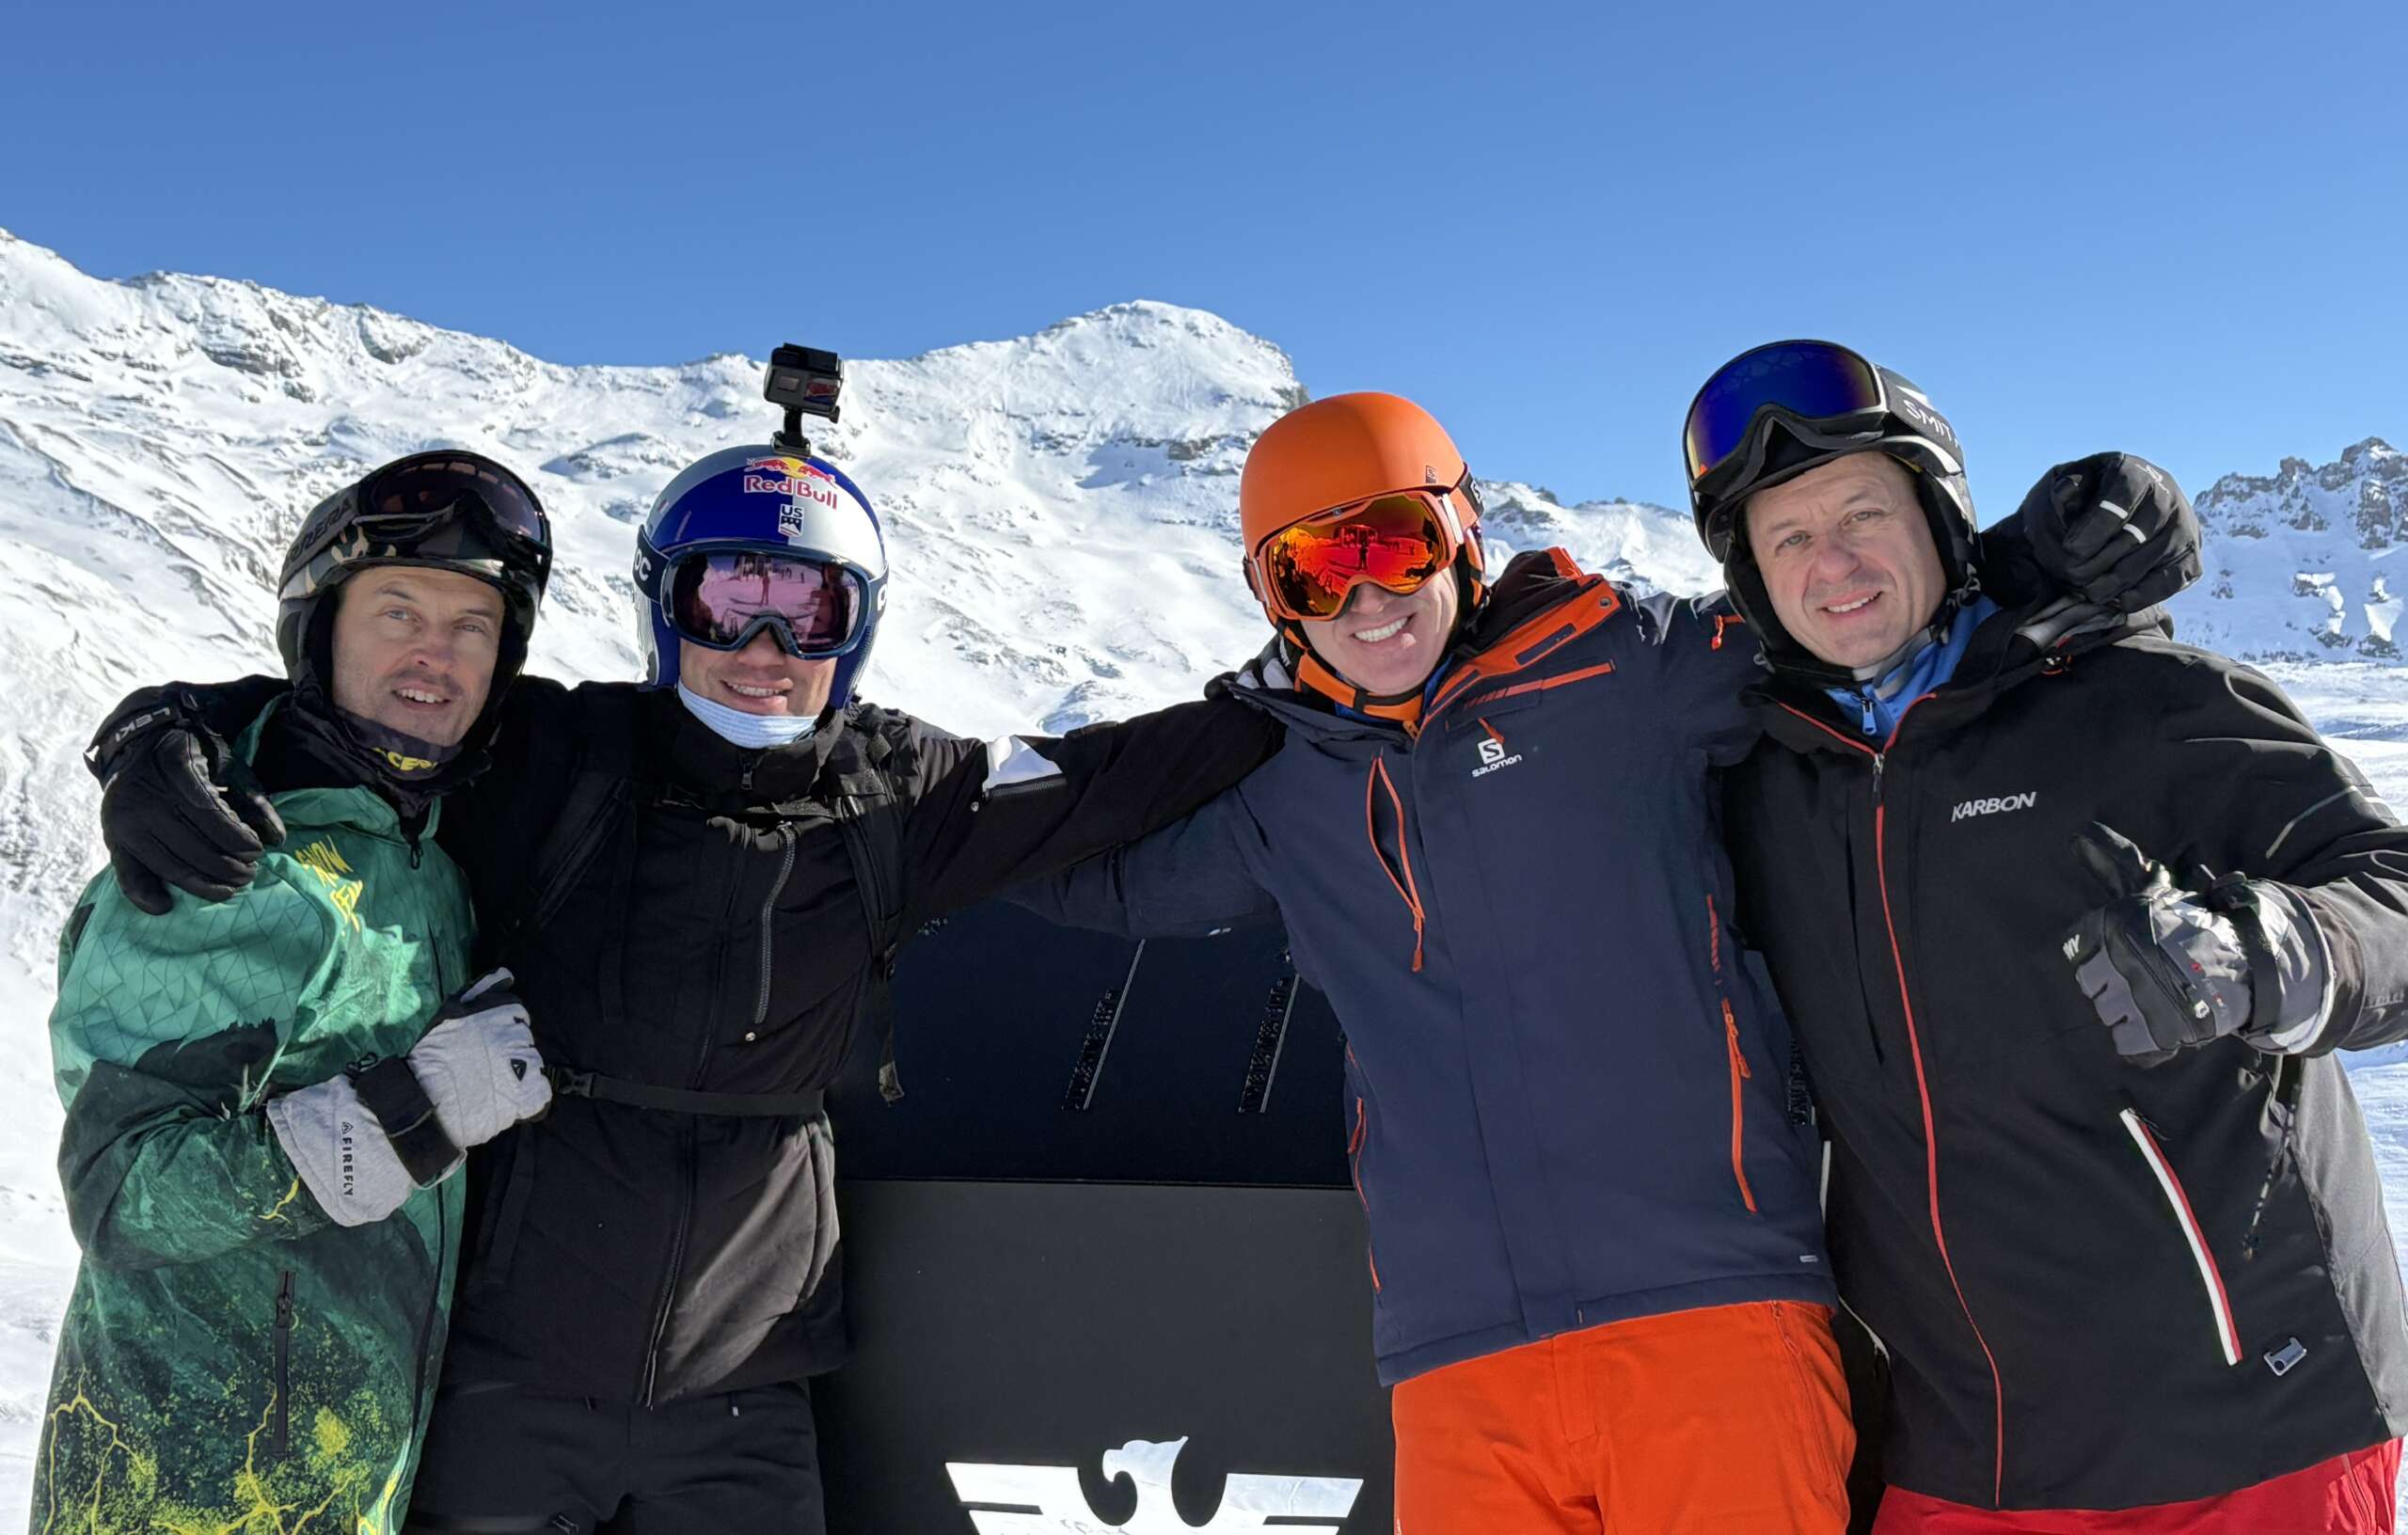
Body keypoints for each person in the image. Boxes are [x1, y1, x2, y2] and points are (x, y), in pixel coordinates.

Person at [1006, 391, 2192, 1533]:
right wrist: (914, 807)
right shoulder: (1280, 787)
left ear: (1460, 534)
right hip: (1459, 1363)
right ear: (1270, 595)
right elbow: (1083, 869)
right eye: (1315, 571)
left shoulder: (1627, 668)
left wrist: (2043, 552)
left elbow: (1846, 618)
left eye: (1396, 546)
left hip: (1713, 1317)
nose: (1368, 598)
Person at [85, 432, 1284, 1535]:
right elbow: (373, 707)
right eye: (727, 600)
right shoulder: (555, 754)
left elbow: (1106, 781)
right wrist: (171, 732)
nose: (765, 650)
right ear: (666, 608)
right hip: (506, 1380)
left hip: (742, 1396)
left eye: (809, 610)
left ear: (855, 628)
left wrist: (1295, 692)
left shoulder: (898, 794)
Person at [1686, 339, 2408, 1531]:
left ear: (1939, 521)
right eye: (1789, 538)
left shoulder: (2137, 701)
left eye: (1863, 514)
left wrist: (2266, 951)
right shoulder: (1762, 782)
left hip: (2245, 1420)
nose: (1834, 564)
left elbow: (2388, 887)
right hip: (1961, 1446)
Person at [35, 450, 557, 1535]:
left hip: (345, 1491)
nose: (435, 654)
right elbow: (120, 1193)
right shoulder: (223, 860)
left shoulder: (430, 860)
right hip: (170, 1495)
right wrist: (412, 1115)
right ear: (321, 631)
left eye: (472, 626)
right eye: (397, 611)